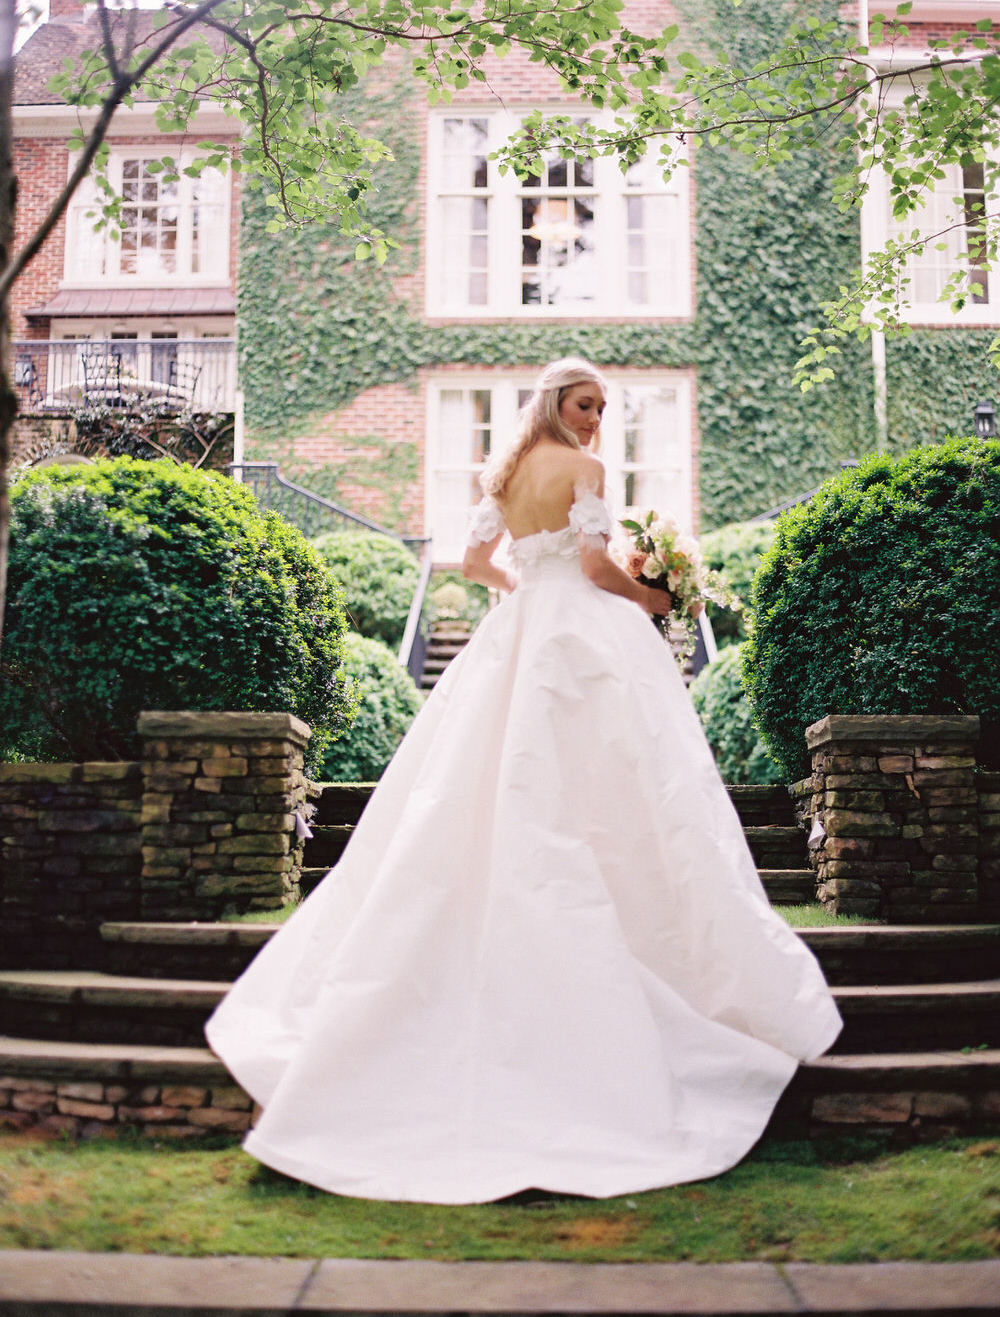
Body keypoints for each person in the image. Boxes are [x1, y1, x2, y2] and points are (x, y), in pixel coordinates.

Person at [206, 357, 842, 1205]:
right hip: (583, 633)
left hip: (521, 631)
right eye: (587, 404)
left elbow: (472, 563)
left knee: (499, 785)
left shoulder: (503, 473)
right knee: (616, 784)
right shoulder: (584, 470)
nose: (596, 419)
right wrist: (655, 600)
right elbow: (591, 567)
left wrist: (523, 590)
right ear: (556, 402)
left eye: (604, 407)